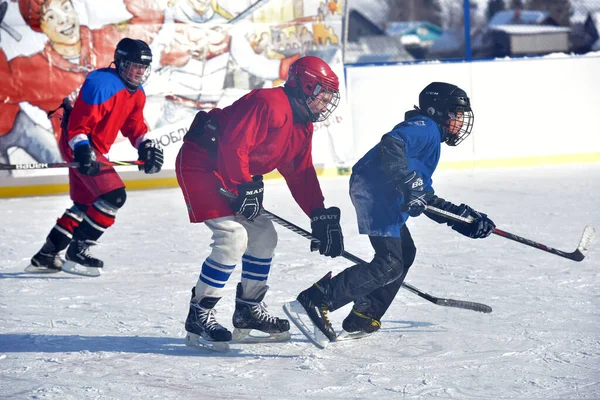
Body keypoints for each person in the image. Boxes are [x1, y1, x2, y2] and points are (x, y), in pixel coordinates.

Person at [288, 82, 496, 345]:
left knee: (404, 253)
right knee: (389, 263)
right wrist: (408, 182)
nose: (459, 122)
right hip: (376, 192)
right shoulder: (425, 127)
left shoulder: (430, 141)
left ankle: (364, 315)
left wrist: (465, 220)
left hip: (382, 193)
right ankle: (318, 298)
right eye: (455, 115)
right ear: (437, 110)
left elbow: (426, 199)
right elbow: (392, 142)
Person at [175, 55, 345, 350]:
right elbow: (232, 145)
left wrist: (318, 213)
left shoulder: (302, 126)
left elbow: (300, 172)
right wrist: (244, 185)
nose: (325, 103)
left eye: (330, 97)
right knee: (232, 237)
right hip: (202, 164)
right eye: (322, 95)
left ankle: (248, 310)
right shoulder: (269, 103)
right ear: (306, 87)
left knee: (265, 234)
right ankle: (199, 314)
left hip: (233, 172)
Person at [28, 38, 164, 276]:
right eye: (133, 65)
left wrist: (146, 146)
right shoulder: (101, 85)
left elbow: (135, 127)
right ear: (120, 63)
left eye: (142, 67)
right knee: (114, 196)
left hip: (93, 146)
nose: (138, 71)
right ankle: (78, 252)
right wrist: (82, 150)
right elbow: (78, 127)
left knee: (85, 204)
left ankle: (46, 256)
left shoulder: (137, 93)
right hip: (81, 144)